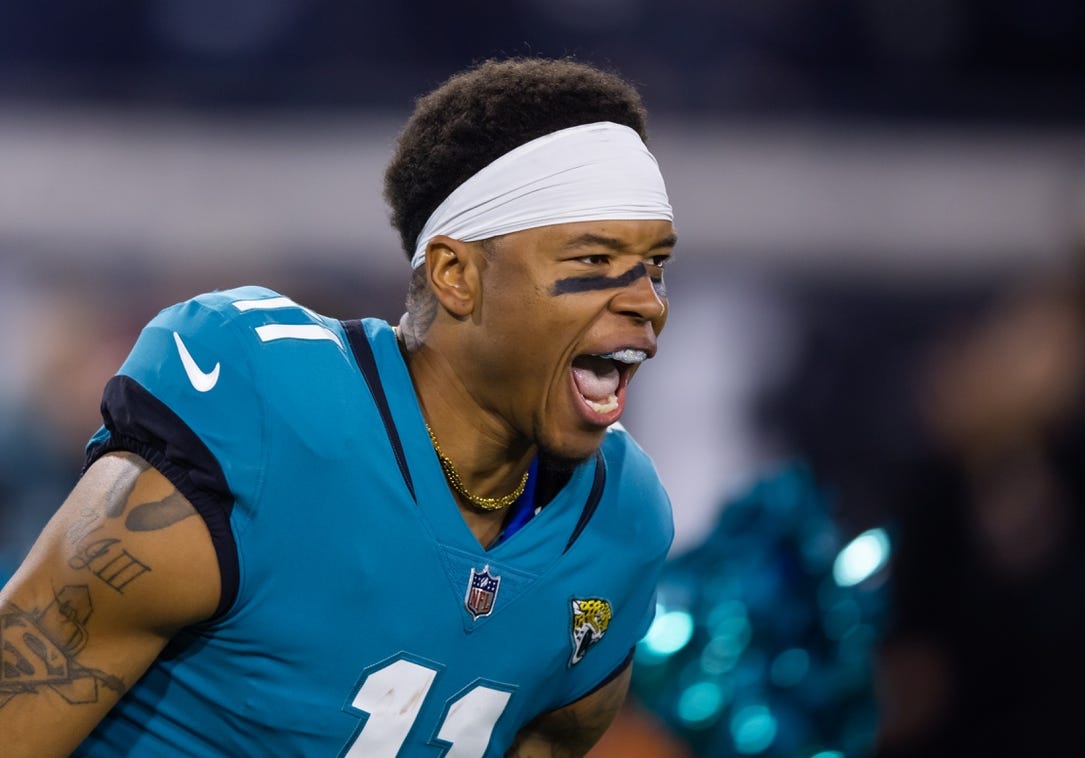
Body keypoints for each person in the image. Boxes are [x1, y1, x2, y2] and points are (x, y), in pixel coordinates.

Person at [0, 57, 678, 757]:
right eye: (593, 261)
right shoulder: (268, 416)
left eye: (655, 265)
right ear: (456, 277)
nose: (646, 301)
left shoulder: (620, 522)